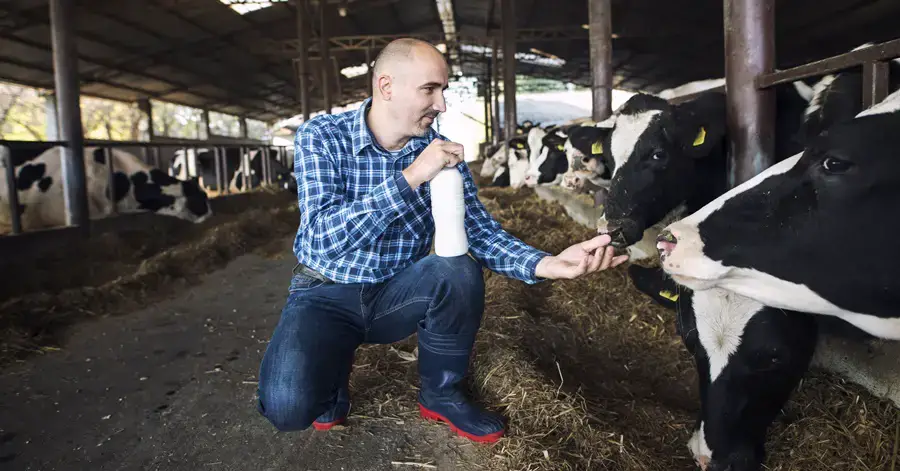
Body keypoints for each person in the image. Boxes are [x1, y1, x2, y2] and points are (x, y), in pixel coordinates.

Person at [256, 38, 628, 443]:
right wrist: (412, 176)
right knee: (288, 408)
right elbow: (322, 240)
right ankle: (330, 374)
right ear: (386, 87)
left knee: (456, 266)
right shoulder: (323, 135)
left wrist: (547, 263)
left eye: (444, 90)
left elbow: (479, 231)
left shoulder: (438, 151)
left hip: (396, 293)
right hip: (324, 293)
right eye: (430, 90)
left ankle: (441, 394)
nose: (442, 104)